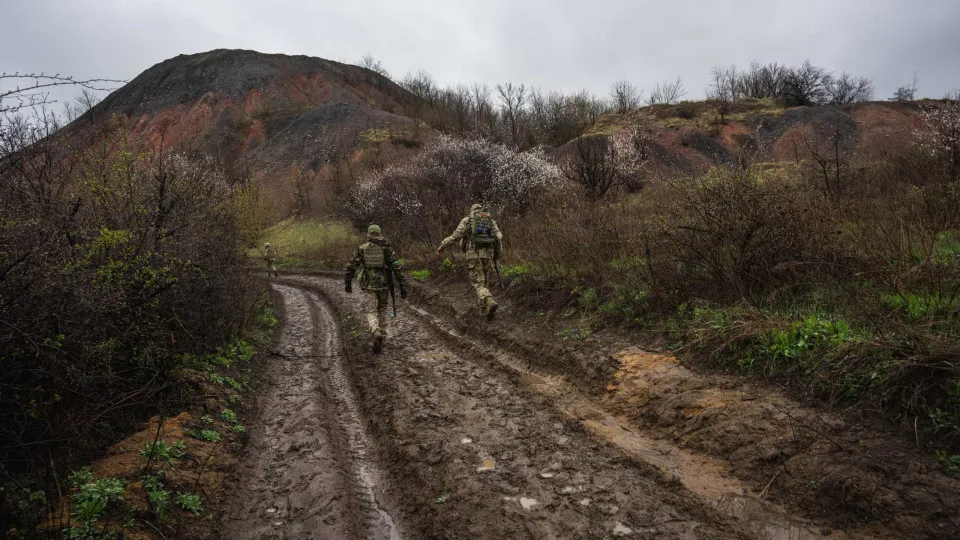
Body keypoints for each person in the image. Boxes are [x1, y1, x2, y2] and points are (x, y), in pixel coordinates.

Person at [344, 224, 408, 353]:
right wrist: (402, 285)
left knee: (371, 311)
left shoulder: (362, 248)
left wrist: (348, 283)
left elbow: (351, 266)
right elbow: (396, 267)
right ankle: (382, 335)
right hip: (384, 285)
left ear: (368, 235)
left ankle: (375, 331)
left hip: (368, 285)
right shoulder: (387, 249)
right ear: (380, 234)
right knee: (382, 309)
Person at [436, 203, 502, 320]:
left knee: (477, 283)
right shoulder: (490, 220)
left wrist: (442, 245)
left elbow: (455, 236)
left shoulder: (468, 220)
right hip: (488, 254)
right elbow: (498, 237)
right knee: (485, 282)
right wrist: (496, 256)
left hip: (474, 255)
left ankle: (489, 301)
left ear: (471, 210)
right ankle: (484, 311)